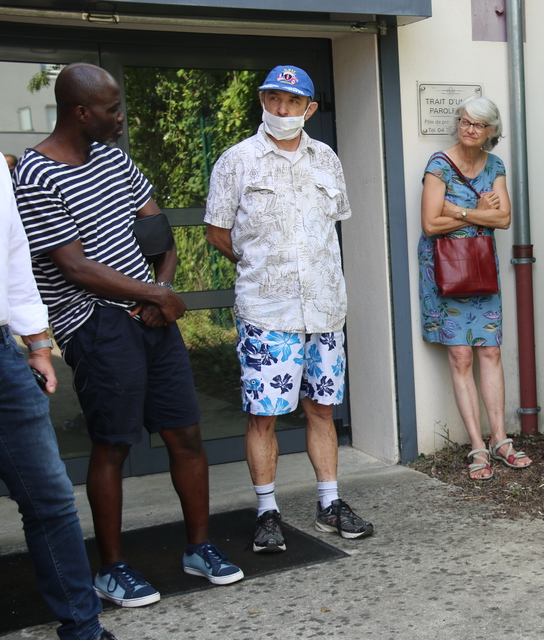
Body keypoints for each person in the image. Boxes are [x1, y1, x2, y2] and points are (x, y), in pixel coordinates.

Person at [12, 62, 242, 608]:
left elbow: (160, 234)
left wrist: (160, 292)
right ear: (81, 111)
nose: (121, 118)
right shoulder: (36, 174)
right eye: (112, 109)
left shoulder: (116, 160)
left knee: (185, 433)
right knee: (112, 444)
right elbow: (74, 267)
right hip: (95, 321)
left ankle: (199, 547)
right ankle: (111, 568)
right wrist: (158, 297)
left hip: (149, 316)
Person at [205, 65, 373, 549]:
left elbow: (330, 226)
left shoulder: (327, 160)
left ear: (309, 109)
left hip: (324, 308)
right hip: (267, 309)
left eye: (292, 102)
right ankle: (267, 511)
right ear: (262, 100)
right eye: (273, 99)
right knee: (264, 415)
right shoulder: (237, 161)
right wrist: (264, 265)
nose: (281, 110)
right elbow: (219, 232)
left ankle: (329, 503)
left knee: (322, 409)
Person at [0, 144, 117, 640]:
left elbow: (14, 255)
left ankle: (83, 629)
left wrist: (38, 343)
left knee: (50, 498)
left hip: (1, 351)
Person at [417, 96, 531, 481]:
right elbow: (430, 224)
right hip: (446, 270)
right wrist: (476, 211)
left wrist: (457, 210)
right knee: (461, 357)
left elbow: (503, 218)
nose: (468, 129)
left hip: (480, 268)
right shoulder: (439, 165)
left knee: (491, 353)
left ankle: (500, 440)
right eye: (464, 121)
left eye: (478, 125)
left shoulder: (495, 165)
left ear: (491, 131)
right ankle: (477, 446)